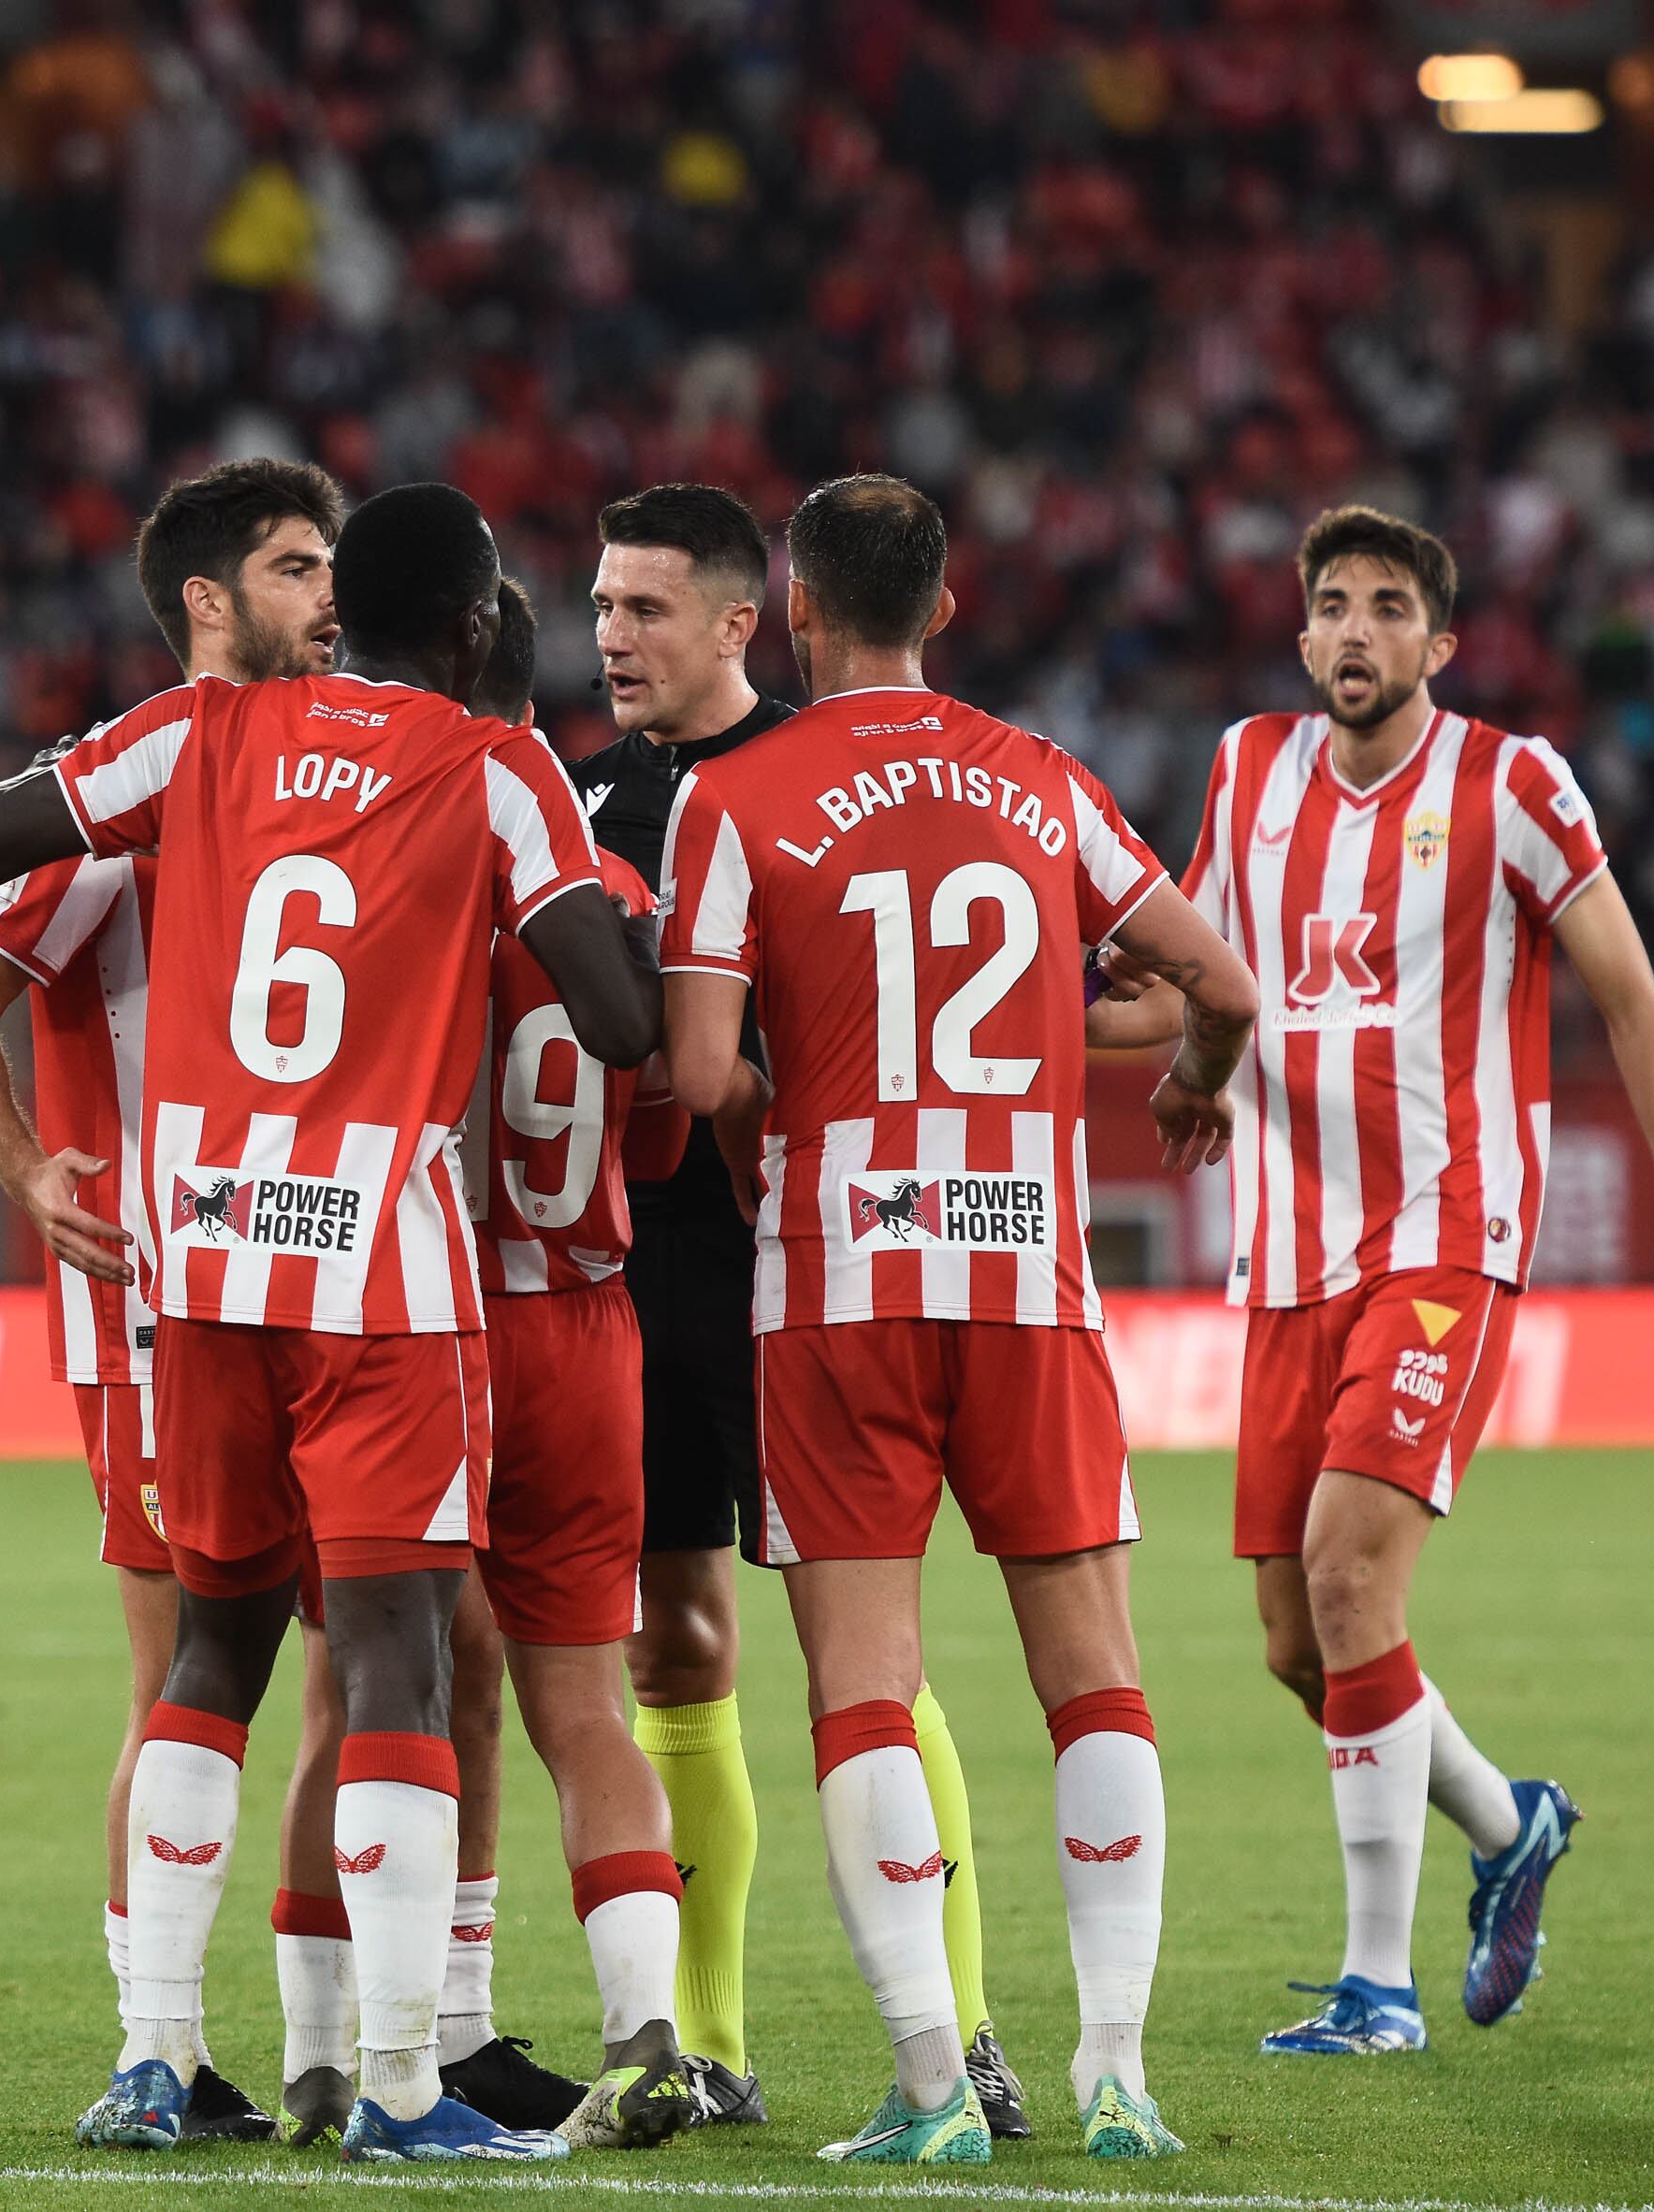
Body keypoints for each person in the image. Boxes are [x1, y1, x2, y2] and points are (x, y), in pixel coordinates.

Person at [0, 482, 657, 2162]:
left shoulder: (198, 733)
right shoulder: (495, 766)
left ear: (349, 609)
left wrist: (121, 803)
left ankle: (156, 2053)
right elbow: (615, 1020)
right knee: (396, 1661)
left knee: (210, 1660)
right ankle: (404, 2080)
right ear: (477, 629)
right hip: (373, 1285)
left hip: (200, 1271)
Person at [1089, 505, 1654, 2056]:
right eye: (1334, 604)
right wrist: (977, 1018)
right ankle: (1510, 1822)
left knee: (1350, 1576)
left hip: (1446, 1238)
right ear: (1305, 637)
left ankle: (1375, 1985)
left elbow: (1635, 1003)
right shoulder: (1248, 771)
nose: (1358, 629)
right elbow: (1190, 984)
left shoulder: (1515, 785)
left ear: (1440, 645)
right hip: (1286, 1257)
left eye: (1392, 606)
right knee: (1300, 1645)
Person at [658, 475, 1256, 2163]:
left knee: (862, 1687)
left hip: (841, 1279)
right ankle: (1120, 2073)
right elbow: (1218, 984)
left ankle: (933, 2086)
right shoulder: (1042, 778)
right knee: (1096, 1677)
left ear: (791, 610)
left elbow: (703, 1071)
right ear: (944, 604)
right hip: (1027, 1273)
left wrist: (784, 1094)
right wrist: (1193, 1089)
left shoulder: (735, 796)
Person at [566, 483, 1026, 2132]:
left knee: (869, 1656)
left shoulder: (823, 779)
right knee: (672, 1637)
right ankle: (711, 2040)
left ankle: (966, 2026)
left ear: (744, 620)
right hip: (653, 1266)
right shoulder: (575, 798)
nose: (614, 637)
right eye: (603, 609)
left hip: (808, 1266)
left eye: (647, 610)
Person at [0, 458, 344, 2147]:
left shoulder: (345, 770)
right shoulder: (120, 796)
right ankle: (155, 2044)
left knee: (365, 1672)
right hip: (163, 1311)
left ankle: (343, 2043)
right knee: (187, 1680)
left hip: (330, 1292)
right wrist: (29, 1169)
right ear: (209, 607)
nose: (331, 595)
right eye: (298, 568)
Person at [451, 578, 697, 2150]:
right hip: (594, 1321)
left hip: (440, 1321)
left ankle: (418, 2031)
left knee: (391, 1682)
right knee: (586, 1704)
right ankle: (648, 2028)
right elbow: (663, 1124)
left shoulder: (404, 862)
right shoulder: (611, 886)